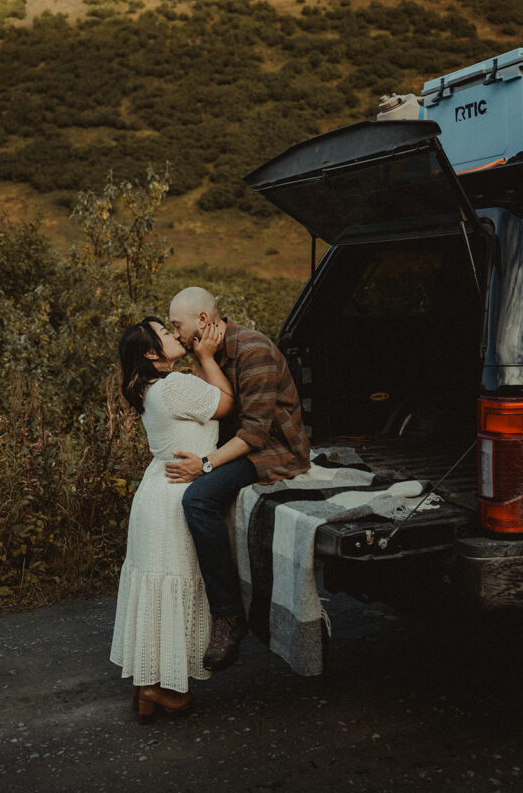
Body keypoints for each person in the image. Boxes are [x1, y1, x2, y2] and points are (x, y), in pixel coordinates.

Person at [167, 287, 310, 671]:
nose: (174, 333)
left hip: (275, 450)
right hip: (238, 445)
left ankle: (228, 617)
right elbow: (208, 409)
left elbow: (255, 435)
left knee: (197, 498)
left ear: (202, 321)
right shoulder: (207, 352)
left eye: (177, 325)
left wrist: (207, 465)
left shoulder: (253, 350)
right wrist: (202, 358)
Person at [109, 316, 234, 723]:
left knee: (158, 588)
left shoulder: (149, 387)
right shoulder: (174, 385)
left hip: (156, 490)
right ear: (150, 353)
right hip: (180, 491)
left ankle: (146, 688)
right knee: (175, 585)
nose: (173, 334)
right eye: (164, 334)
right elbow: (225, 402)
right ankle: (160, 688)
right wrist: (207, 355)